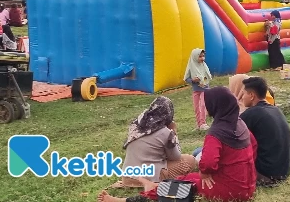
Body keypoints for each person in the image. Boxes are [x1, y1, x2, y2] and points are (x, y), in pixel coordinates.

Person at [99, 88, 257, 202]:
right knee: (187, 177)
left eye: (207, 104)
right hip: (249, 186)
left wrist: (205, 172)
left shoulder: (216, 134)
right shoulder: (240, 124)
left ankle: (128, 200)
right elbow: (254, 144)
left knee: (181, 185)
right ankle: (153, 185)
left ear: (215, 105)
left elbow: (208, 162)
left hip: (229, 191)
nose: (205, 107)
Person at [121, 97, 196, 187]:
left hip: (127, 177)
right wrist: (173, 133)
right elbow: (176, 157)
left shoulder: (135, 125)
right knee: (190, 160)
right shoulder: (164, 132)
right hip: (149, 176)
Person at [240, 77, 290, 186]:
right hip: (284, 170)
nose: (242, 97)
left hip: (267, 174)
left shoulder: (251, 114)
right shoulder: (275, 110)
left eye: (244, 94)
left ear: (251, 95)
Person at [184, 49, 212, 131]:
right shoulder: (191, 66)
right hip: (196, 89)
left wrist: (203, 79)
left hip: (205, 89)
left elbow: (207, 76)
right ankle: (199, 124)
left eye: (203, 56)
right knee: (196, 106)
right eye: (200, 56)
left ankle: (203, 123)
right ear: (195, 57)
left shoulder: (204, 65)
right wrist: (193, 80)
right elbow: (186, 78)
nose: (202, 58)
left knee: (202, 105)